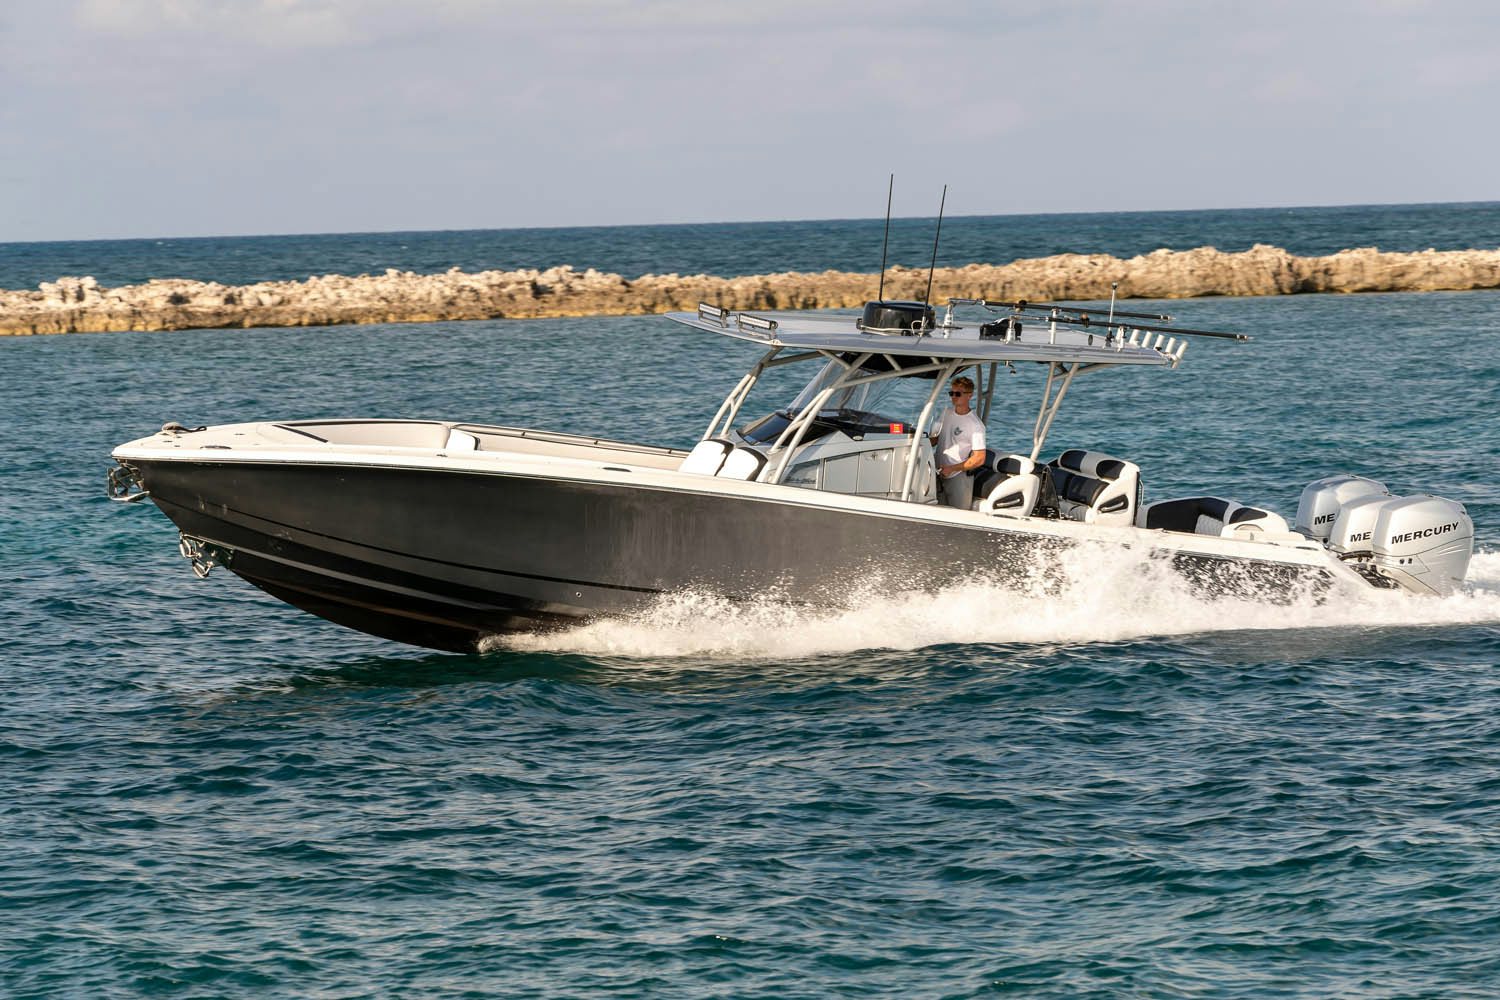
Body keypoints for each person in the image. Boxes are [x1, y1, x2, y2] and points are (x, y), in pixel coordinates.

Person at [930, 375, 986, 509]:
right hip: (938, 472)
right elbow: (935, 439)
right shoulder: (946, 413)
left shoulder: (975, 425)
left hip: (958, 476)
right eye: (952, 393)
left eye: (958, 394)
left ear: (969, 395)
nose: (954, 397)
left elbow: (979, 458)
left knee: (958, 514)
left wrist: (951, 469)